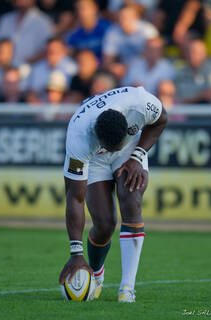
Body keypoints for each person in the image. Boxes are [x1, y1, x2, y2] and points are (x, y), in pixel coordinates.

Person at [59, 85, 168, 302]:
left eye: (114, 146)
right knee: (105, 223)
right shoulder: (79, 136)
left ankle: (127, 288)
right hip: (95, 158)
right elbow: (75, 197)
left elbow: (162, 120)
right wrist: (76, 254)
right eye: (109, 146)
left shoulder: (139, 102)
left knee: (131, 200)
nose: (112, 150)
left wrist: (137, 155)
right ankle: (96, 273)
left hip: (131, 149)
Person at [102, 4, 158, 80]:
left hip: (145, 70)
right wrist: (114, 68)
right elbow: (107, 61)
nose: (123, 20)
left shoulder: (148, 30)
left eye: (127, 17)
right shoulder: (112, 32)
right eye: (121, 17)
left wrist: (129, 68)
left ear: (136, 17)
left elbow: (154, 55)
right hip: (122, 72)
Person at [0, 0, 54, 66]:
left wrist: (24, 65)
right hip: (4, 70)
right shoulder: (5, 20)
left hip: (32, 70)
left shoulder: (44, 22)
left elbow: (47, 50)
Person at [25, 36, 77, 103]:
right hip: (41, 109)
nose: (52, 53)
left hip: (65, 109)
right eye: (49, 50)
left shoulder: (72, 68)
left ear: (63, 51)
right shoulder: (37, 68)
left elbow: (74, 95)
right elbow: (31, 94)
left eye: (55, 50)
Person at [174, 38, 211, 104]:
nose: (191, 55)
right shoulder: (179, 71)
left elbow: (210, 95)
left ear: (204, 54)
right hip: (183, 112)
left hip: (205, 112)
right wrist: (200, 95)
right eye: (189, 51)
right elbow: (175, 96)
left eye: (195, 52)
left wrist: (187, 100)